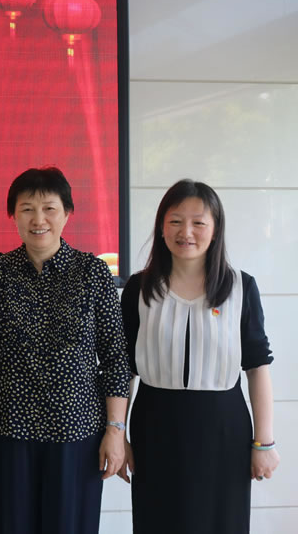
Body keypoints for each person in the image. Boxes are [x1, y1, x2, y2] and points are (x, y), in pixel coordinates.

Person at [0, 167, 130, 534]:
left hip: (77, 434)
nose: (38, 220)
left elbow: (115, 358)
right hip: (7, 432)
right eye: (27, 209)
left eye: (49, 209)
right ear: (13, 215)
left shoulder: (93, 273)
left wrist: (115, 431)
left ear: (67, 213)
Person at [118, 180, 278, 534]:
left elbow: (257, 367)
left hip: (224, 431)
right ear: (162, 227)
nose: (186, 232)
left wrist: (264, 442)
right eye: (175, 221)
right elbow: (123, 370)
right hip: (155, 428)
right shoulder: (138, 289)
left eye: (198, 222)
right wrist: (118, 434)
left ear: (215, 229)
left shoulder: (241, 287)